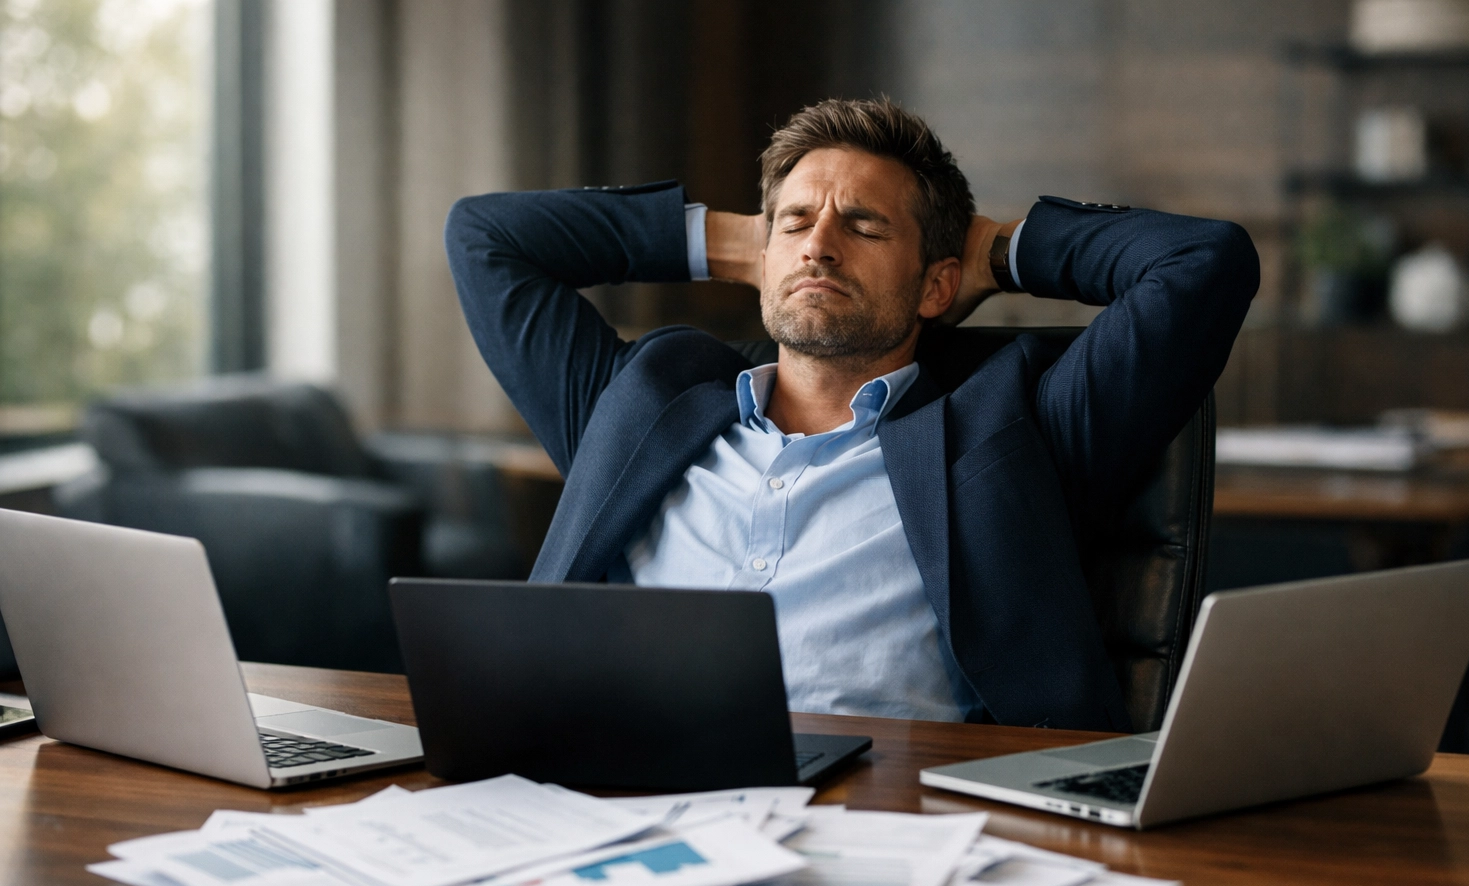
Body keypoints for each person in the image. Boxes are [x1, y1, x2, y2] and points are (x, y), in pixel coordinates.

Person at [446, 97, 1259, 731]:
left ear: (938, 286)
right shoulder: (639, 400)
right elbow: (485, 237)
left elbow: (1203, 262)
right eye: (796, 223)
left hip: (881, 819)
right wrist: (742, 240)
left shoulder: (1013, 430)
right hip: (598, 786)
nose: (819, 246)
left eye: (863, 226)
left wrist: (1001, 250)